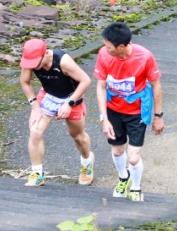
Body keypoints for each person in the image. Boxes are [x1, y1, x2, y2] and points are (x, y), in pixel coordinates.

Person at [94, 21, 164, 203]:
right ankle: (123, 178)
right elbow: (100, 86)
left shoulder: (145, 57)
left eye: (109, 47)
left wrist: (158, 116)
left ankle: (136, 186)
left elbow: (156, 86)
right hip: (114, 109)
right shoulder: (104, 55)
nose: (105, 49)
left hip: (137, 111)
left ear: (122, 47)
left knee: (133, 158)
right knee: (117, 151)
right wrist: (104, 118)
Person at [19, 37, 95, 188]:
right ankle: (37, 173)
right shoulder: (30, 60)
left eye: (36, 63)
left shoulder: (63, 62)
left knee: (78, 137)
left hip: (71, 97)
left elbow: (86, 81)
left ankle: (87, 162)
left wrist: (69, 104)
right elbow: (24, 82)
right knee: (35, 131)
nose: (34, 67)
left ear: (46, 53)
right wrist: (35, 107)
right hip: (48, 95)